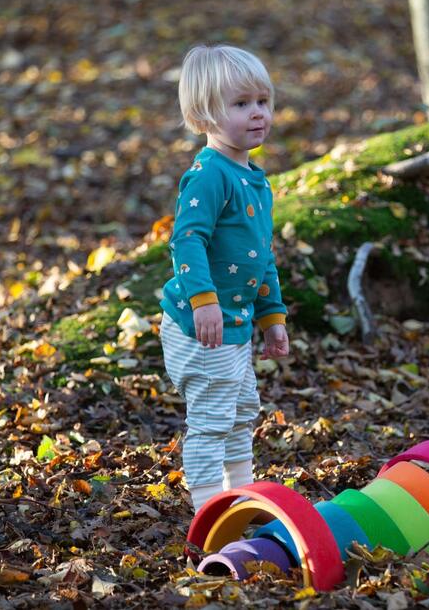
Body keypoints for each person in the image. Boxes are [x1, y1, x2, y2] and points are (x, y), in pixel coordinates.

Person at [160, 45, 289, 514]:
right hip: (200, 324)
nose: (258, 114)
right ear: (203, 114)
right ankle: (208, 513)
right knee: (213, 420)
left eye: (263, 101)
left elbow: (260, 255)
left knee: (241, 415)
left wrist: (272, 315)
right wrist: (203, 301)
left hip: (233, 324)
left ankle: (239, 498)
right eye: (241, 104)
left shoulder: (255, 177)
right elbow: (186, 241)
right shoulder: (209, 174)